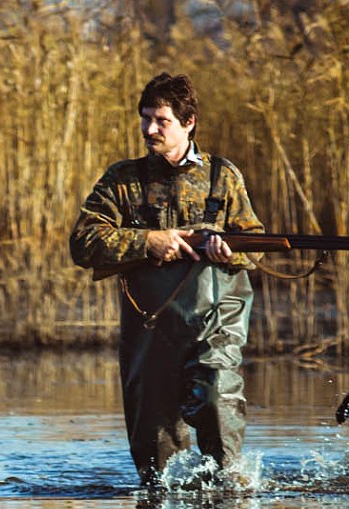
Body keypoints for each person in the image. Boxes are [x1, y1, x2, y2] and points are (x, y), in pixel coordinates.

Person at [70, 72, 265, 485]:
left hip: (214, 320)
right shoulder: (123, 179)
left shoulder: (222, 176)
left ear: (188, 122)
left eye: (161, 120)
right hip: (150, 327)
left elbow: (257, 242)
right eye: (145, 119)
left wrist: (231, 249)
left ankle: (227, 503)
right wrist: (149, 241)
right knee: (156, 455)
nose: (149, 129)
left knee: (216, 400)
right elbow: (83, 242)